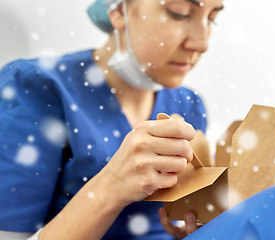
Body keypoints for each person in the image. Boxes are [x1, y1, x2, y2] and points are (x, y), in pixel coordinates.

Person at [0, 0, 223, 239]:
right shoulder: (35, 88)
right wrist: (114, 185)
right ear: (117, 10)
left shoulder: (188, 105)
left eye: (211, 18)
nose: (201, 43)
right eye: (179, 13)